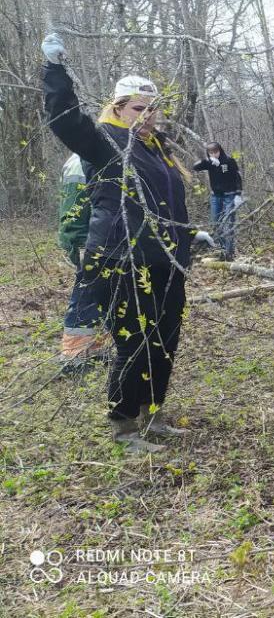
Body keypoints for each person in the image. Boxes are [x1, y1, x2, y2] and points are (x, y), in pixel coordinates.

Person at [41, 32, 214, 454]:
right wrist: (55, 71)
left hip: (166, 261)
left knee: (164, 339)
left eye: (153, 109)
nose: (148, 116)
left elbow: (159, 209)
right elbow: (65, 120)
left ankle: (152, 416)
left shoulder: (155, 149)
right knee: (134, 342)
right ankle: (124, 426)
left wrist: (189, 235)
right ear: (118, 107)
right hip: (120, 260)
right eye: (139, 108)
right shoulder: (103, 141)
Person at [56, 153, 106, 371]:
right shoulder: (80, 162)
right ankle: (74, 358)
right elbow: (74, 212)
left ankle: (94, 350)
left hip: (97, 240)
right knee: (85, 295)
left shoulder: (94, 155)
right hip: (87, 241)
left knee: (98, 296)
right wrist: (81, 246)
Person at [192, 142, 243, 261]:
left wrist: (238, 194)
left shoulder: (229, 161)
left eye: (216, 151)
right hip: (216, 196)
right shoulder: (210, 162)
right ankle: (223, 248)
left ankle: (229, 253)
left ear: (220, 150)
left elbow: (237, 178)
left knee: (228, 223)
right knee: (216, 223)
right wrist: (207, 160)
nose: (214, 154)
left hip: (230, 195)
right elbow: (195, 167)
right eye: (211, 152)